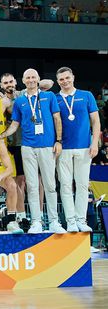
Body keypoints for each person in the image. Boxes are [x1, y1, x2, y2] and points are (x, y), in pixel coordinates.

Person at [0, 68, 65, 234]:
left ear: (37, 79)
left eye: (33, 77)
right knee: (32, 185)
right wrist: (2, 135)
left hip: (47, 146)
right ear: (23, 80)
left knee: (50, 184)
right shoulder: (20, 101)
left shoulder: (49, 96)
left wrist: (58, 141)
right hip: (27, 147)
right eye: (27, 77)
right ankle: (36, 221)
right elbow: (14, 124)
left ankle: (54, 221)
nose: (30, 80)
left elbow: (57, 118)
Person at [55, 67, 101, 233]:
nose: (65, 81)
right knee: (66, 186)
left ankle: (81, 220)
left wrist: (94, 143)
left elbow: (96, 121)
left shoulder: (86, 96)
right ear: (57, 81)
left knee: (82, 186)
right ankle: (71, 221)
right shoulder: (55, 98)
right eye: (61, 79)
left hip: (84, 148)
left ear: (73, 77)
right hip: (64, 149)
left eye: (67, 78)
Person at [0, 73, 30, 232]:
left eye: (11, 81)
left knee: (21, 182)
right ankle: (12, 214)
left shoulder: (23, 94)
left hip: (20, 143)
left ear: (16, 82)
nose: (9, 84)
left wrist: (31, 82)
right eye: (5, 83)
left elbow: (47, 83)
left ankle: (21, 215)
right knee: (9, 182)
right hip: (3, 144)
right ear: (1, 85)